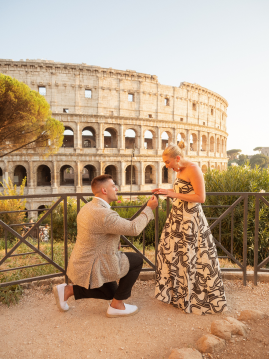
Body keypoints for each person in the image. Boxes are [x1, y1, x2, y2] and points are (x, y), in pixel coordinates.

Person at [53, 174, 158, 317]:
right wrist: (149, 208)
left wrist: (115, 241)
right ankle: (117, 306)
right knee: (136, 260)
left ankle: (67, 291)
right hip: (94, 265)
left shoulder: (88, 207)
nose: (116, 188)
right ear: (104, 190)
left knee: (111, 292)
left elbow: (97, 234)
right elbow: (134, 229)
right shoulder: (104, 214)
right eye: (113, 185)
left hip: (82, 262)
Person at [153, 141, 227, 315]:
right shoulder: (180, 170)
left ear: (177, 158)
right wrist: (166, 191)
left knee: (193, 256)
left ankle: (194, 297)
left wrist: (173, 194)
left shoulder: (194, 168)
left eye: (168, 162)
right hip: (178, 217)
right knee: (174, 254)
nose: (167, 166)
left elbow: (201, 197)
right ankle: (178, 296)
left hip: (191, 219)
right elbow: (184, 190)